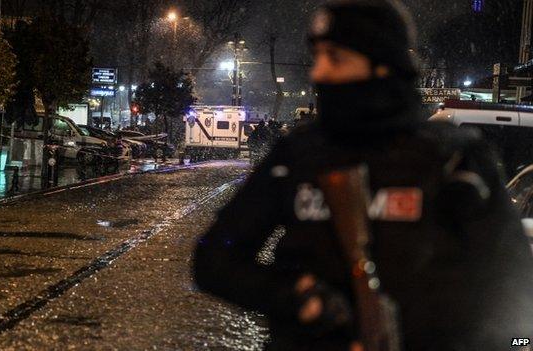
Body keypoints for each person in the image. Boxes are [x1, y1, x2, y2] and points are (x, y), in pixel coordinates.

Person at [193, 0, 533, 350]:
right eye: (318, 57)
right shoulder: (298, 154)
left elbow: (512, 284)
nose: (319, 72)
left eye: (336, 58)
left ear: (383, 66)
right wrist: (297, 298)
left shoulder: (454, 159)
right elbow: (215, 260)